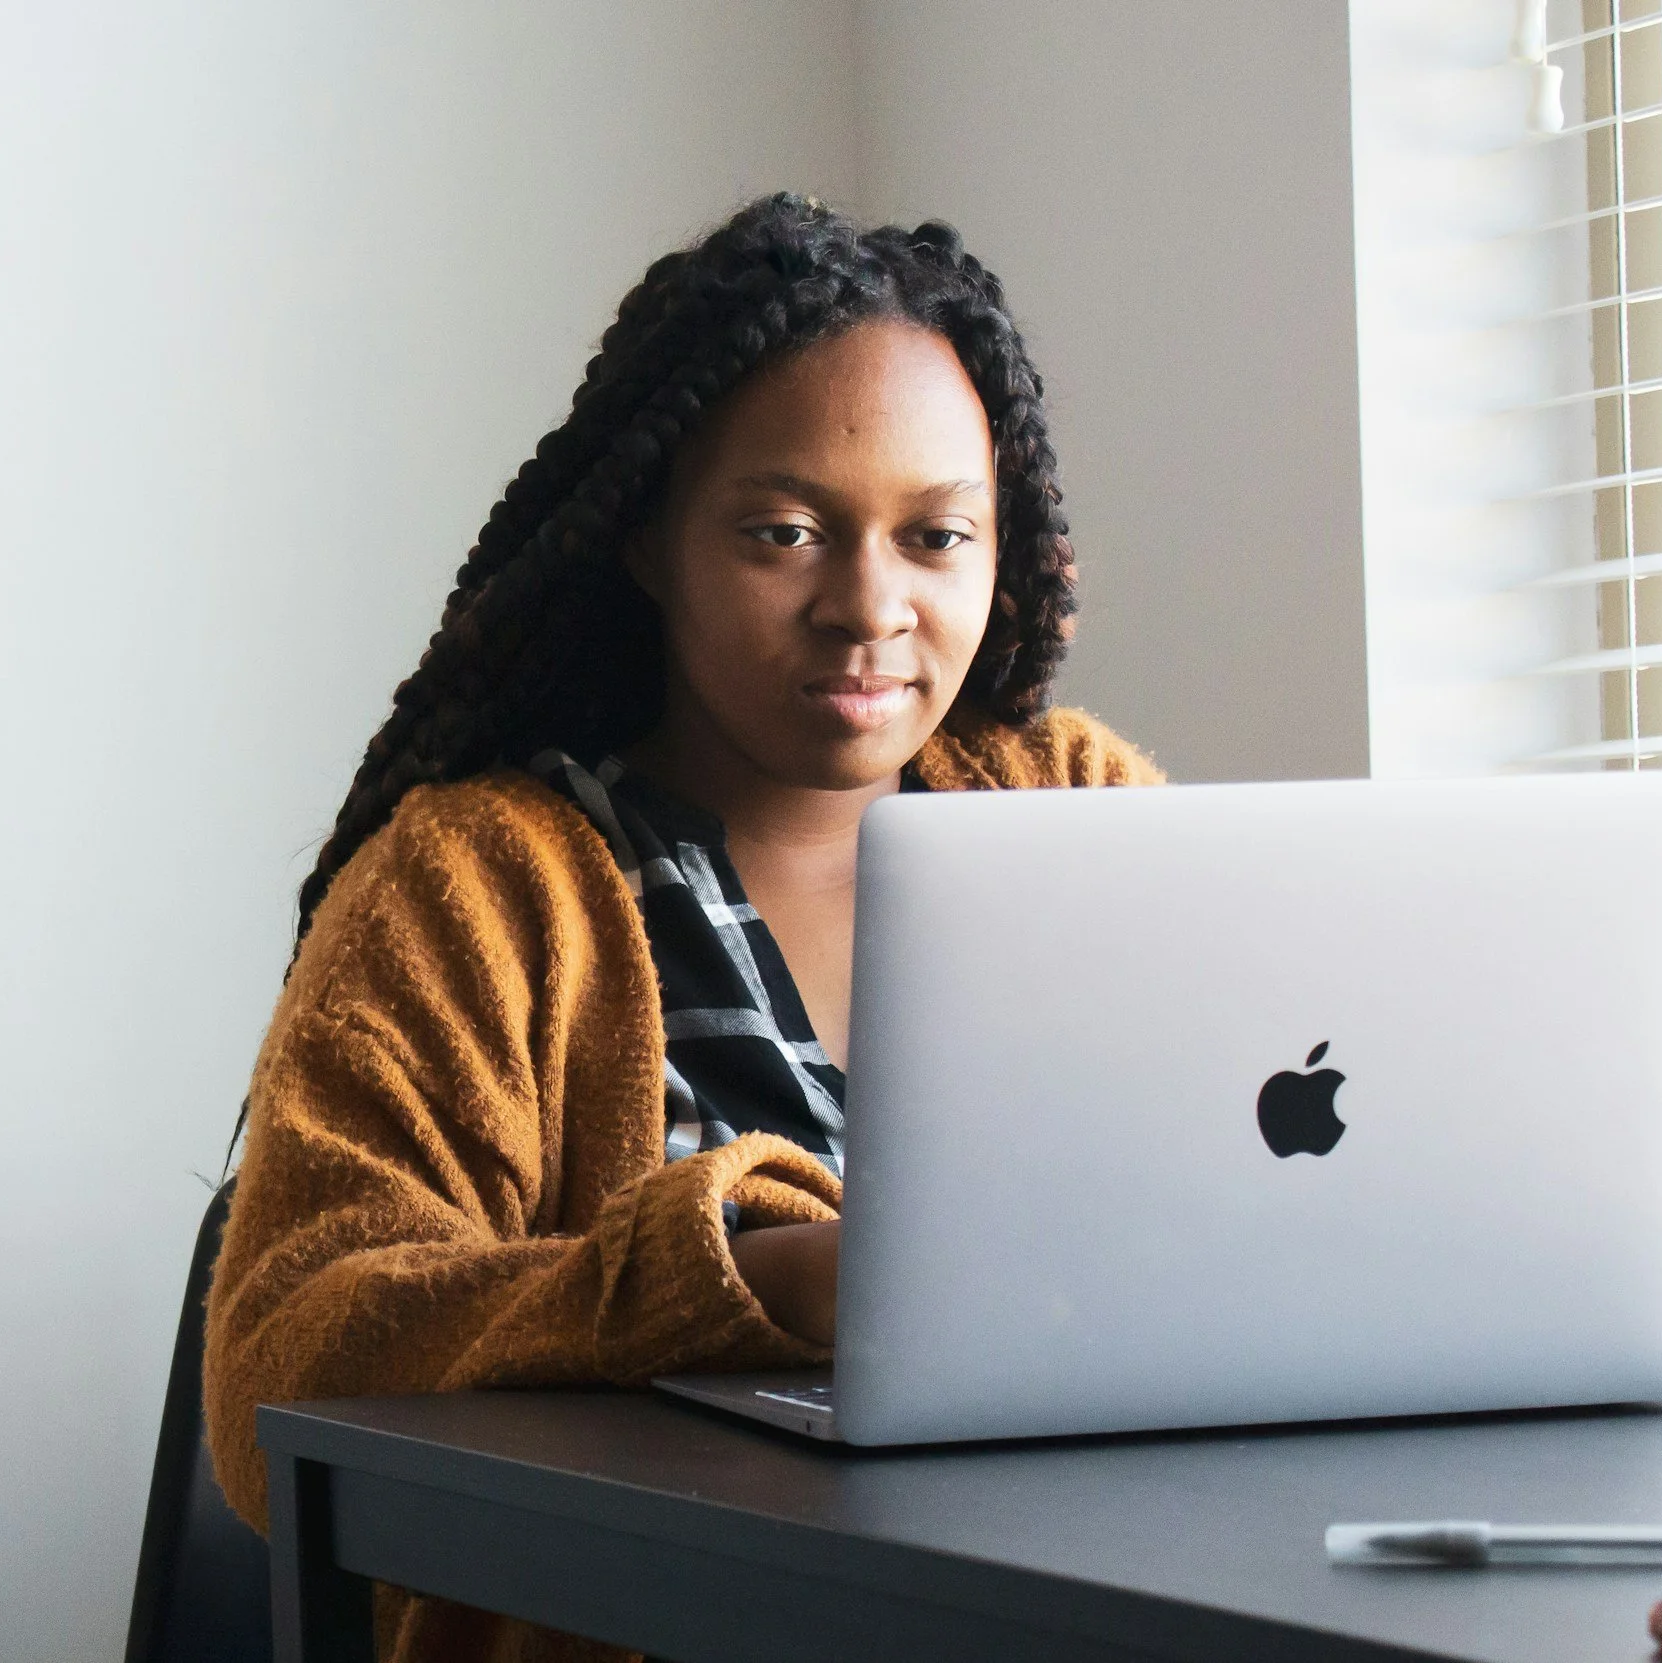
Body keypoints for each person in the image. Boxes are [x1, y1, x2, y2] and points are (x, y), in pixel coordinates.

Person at [201, 193, 1162, 1663]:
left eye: (936, 536)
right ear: (650, 537)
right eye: (785, 531)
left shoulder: (1071, 806)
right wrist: (740, 1279)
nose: (869, 605)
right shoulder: (480, 883)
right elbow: (288, 1351)